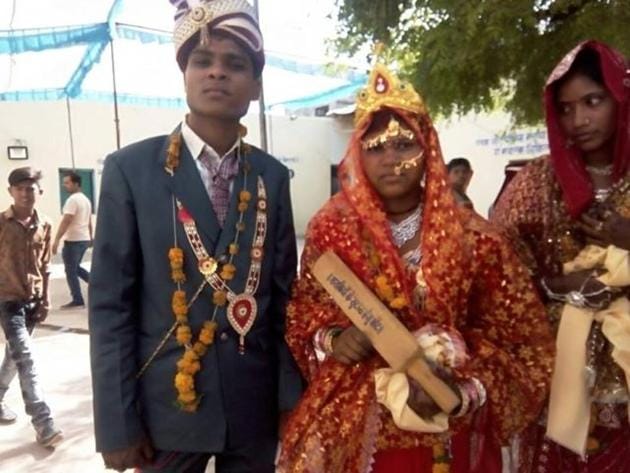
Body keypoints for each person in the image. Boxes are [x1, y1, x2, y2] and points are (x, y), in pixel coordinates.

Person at [278, 56, 554, 473]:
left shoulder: (474, 237)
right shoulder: (331, 227)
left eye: (405, 145)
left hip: (446, 410)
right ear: (357, 153)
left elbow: (519, 337)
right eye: (376, 147)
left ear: (429, 148)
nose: (391, 159)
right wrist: (334, 338)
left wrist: (461, 381)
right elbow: (304, 309)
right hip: (359, 416)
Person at [89, 1, 303, 472]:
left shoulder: (271, 177)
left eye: (235, 64)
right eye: (203, 62)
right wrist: (117, 424)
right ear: (184, 73)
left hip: (254, 409)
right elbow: (110, 309)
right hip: (166, 409)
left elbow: (285, 299)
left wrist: (292, 398)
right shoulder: (131, 170)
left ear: (256, 83)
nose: (217, 74)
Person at [491, 40, 630, 472]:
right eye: (566, 109)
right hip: (559, 370)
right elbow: (498, 271)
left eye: (593, 101)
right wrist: (557, 285)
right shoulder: (536, 183)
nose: (579, 120)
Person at [0, 167, 63, 447]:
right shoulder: (1, 223)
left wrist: (46, 298)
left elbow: (46, 265)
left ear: (40, 192)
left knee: (15, 357)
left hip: (33, 301)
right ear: (10, 191)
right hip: (7, 299)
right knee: (26, 358)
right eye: (20, 188)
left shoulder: (46, 224)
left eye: (31, 188)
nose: (26, 193)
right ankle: (43, 423)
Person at [53, 171, 92, 309]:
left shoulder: (73, 200)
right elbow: (89, 221)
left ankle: (77, 299)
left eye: (67, 183)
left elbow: (66, 220)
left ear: (76, 184)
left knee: (70, 271)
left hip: (74, 240)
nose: (65, 186)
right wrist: (91, 237)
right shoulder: (86, 200)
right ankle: (98, 285)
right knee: (75, 268)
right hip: (83, 239)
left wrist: (56, 239)